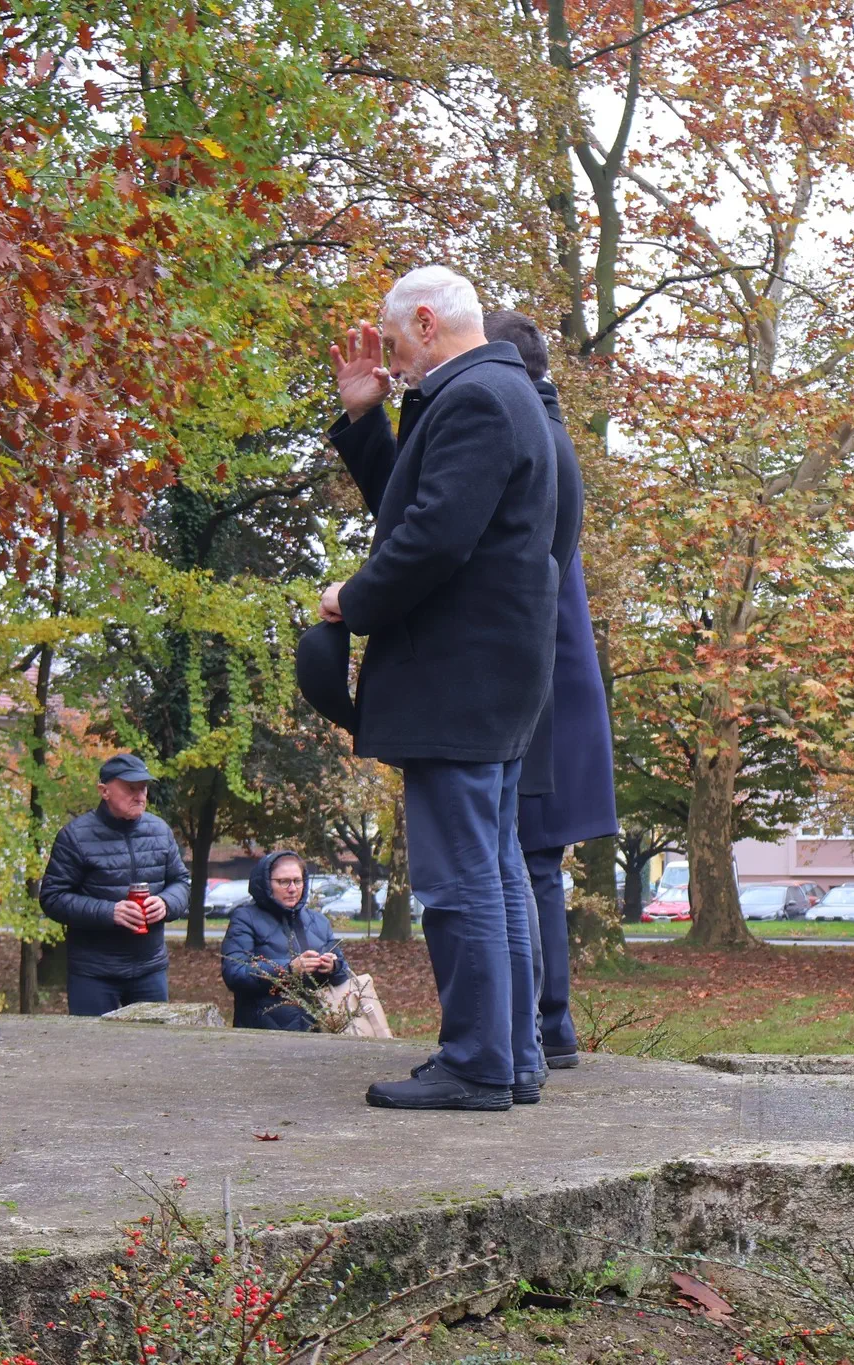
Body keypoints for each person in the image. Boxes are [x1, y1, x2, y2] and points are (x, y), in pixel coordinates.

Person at [321, 265, 558, 1111]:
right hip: (492, 677)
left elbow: (428, 541)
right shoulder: (497, 390)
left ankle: (478, 1062)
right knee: (494, 873)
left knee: (461, 882)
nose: (393, 362)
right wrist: (365, 418)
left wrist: (350, 599)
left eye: (394, 345)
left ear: (426, 322)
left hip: (462, 676)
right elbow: (417, 505)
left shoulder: (477, 399)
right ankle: (512, 1056)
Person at [480, 310, 620, 1072]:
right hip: (560, 690)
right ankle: (547, 1024)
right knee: (535, 863)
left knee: (529, 862)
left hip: (540, 695)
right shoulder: (550, 436)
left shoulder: (526, 444)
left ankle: (544, 1025)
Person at [38, 753, 191, 1016]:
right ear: (104, 791)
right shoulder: (74, 837)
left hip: (150, 969)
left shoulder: (160, 831)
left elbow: (181, 882)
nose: (140, 795)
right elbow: (53, 898)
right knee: (94, 1052)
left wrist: (167, 903)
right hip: (94, 973)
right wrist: (110, 912)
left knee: (152, 1051)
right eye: (131, 788)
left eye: (143, 787)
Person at [220, 851, 352, 1030]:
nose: (292, 888)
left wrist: (333, 967)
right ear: (265, 883)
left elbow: (343, 974)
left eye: (297, 881)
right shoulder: (245, 918)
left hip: (318, 1030)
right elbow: (234, 973)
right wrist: (288, 969)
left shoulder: (318, 921)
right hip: (263, 1033)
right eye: (283, 882)